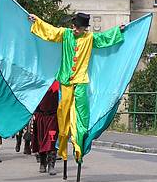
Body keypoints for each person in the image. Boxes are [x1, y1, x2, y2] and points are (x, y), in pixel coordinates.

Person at [28, 12, 124, 163]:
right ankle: (61, 146)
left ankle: (79, 144)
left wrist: (118, 30)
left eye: (78, 27)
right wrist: (38, 21)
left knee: (82, 113)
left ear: (84, 28)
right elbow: (51, 32)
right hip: (65, 81)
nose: (74, 29)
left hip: (80, 81)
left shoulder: (90, 38)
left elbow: (105, 38)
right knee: (63, 112)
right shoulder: (65, 34)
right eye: (74, 26)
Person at [31, 81, 60, 175]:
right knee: (40, 140)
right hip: (40, 115)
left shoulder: (58, 81)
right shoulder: (39, 80)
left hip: (53, 116)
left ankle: (51, 165)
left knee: (52, 140)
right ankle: (43, 163)